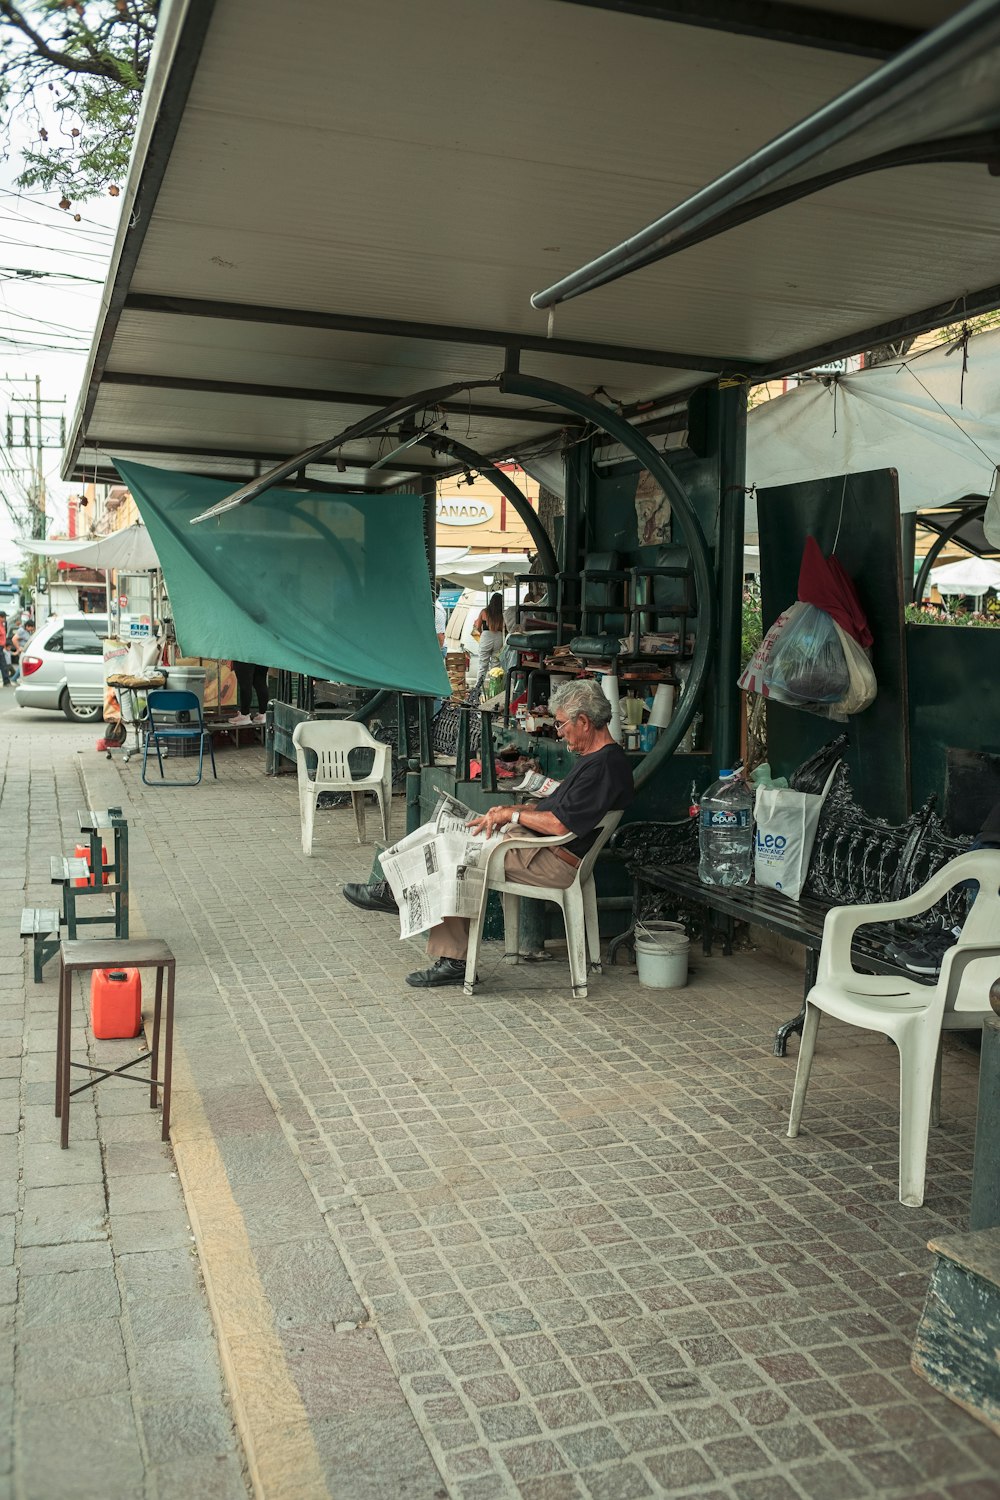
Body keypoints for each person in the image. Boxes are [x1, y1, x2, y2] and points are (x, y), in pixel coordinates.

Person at [342, 678, 634, 987]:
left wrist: (513, 813)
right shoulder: (596, 760)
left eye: (561, 726)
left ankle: (450, 957)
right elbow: (561, 810)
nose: (560, 735)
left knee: (455, 854)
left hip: (551, 860)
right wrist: (503, 814)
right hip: (539, 848)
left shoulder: (603, 766)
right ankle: (394, 889)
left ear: (584, 722)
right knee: (443, 829)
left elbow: (562, 825)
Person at [469, 592, 506, 705]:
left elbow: (477, 627)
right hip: (499, 638)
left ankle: (477, 690)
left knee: (482, 665)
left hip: (486, 637)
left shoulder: (484, 612)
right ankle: (495, 691)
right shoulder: (502, 614)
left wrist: (482, 634)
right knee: (495, 666)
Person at [10, 618, 32, 682]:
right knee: (22, 666)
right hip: (23, 650)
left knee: (22, 665)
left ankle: (14, 678)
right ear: (27, 626)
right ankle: (14, 679)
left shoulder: (27, 631)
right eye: (31, 627)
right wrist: (18, 648)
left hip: (25, 650)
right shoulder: (22, 631)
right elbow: (14, 639)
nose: (32, 629)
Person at [0, 614, 10, 687]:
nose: (5, 619)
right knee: (3, 664)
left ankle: (6, 681)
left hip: (1, 647)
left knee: (3, 664)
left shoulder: (2, 625)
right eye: (3, 617)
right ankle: (6, 681)